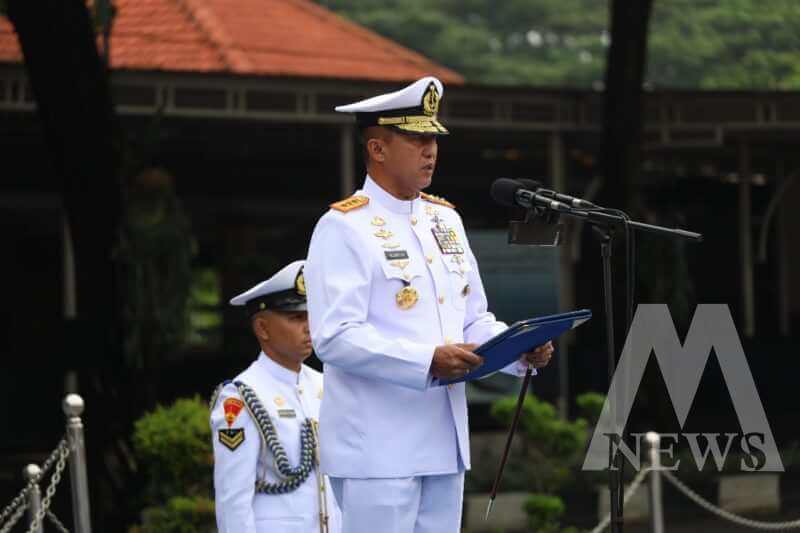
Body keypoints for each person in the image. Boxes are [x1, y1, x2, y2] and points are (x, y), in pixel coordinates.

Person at [304, 76, 555, 533]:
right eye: (417, 138)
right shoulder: (343, 227)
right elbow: (334, 337)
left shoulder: (446, 220)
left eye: (434, 138)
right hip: (378, 447)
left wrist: (517, 350)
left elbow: (472, 317)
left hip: (443, 440)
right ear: (377, 149)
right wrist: (427, 360)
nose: (430, 149)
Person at [210, 260, 341, 533]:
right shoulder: (242, 397)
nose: (309, 327)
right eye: (296, 318)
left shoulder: (325, 384)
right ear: (263, 328)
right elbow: (233, 500)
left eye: (310, 315)